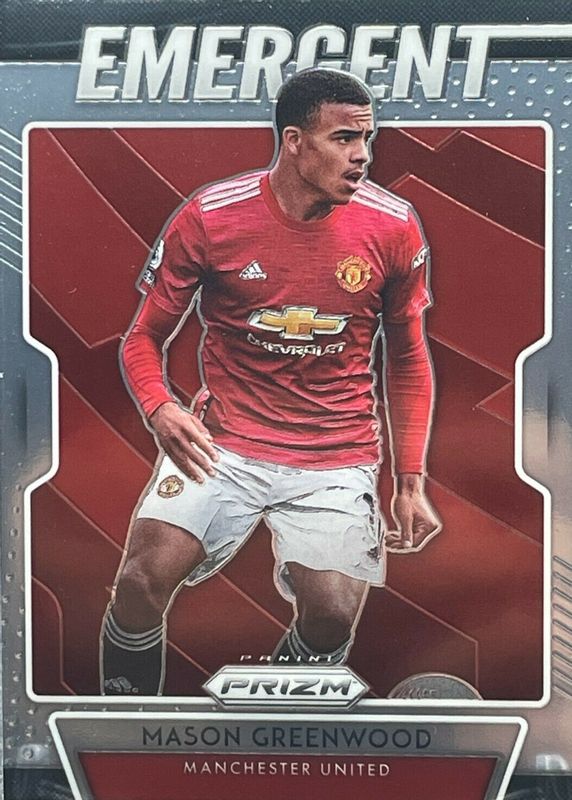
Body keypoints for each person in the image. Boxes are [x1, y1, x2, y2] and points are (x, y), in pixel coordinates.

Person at [100, 68, 440, 696]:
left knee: (331, 618)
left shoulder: (393, 226)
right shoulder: (211, 217)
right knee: (139, 583)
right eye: (343, 138)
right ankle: (127, 721)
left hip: (336, 455)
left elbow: (409, 358)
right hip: (223, 444)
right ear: (294, 142)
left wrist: (410, 480)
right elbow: (143, 337)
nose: (362, 156)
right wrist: (160, 407)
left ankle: (267, 722)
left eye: (367, 139)